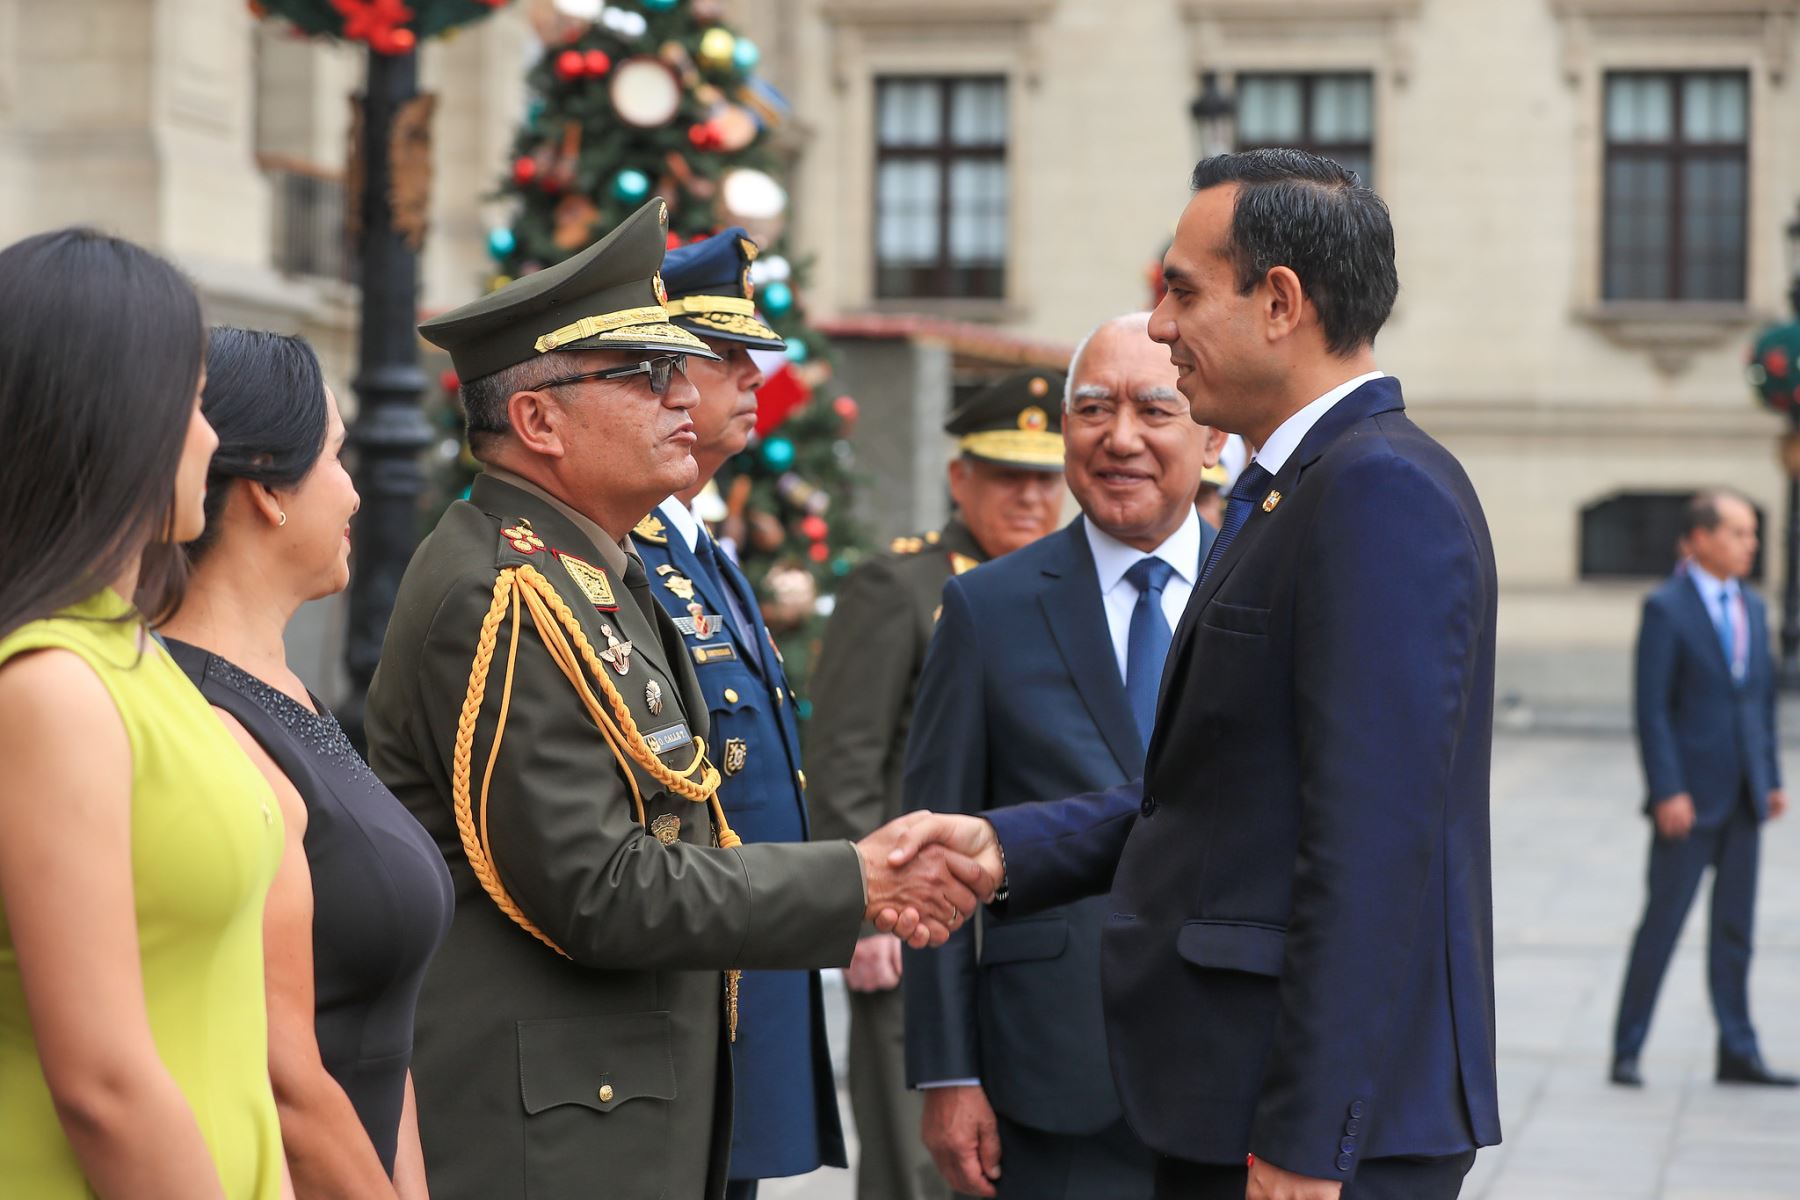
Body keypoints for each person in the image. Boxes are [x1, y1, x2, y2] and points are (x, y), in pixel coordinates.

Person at [886, 148, 1503, 1200]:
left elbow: (1371, 846)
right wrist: (1004, 845)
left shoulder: (1373, 493)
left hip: (1300, 1130)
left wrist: (1311, 1141)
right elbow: (1220, 798)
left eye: (1182, 288)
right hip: (1234, 1100)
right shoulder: (1291, 490)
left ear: (1280, 303)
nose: (1161, 322)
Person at [363, 199, 990, 1200]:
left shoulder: (589, 567)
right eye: (645, 376)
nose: (680, 401)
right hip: (559, 1135)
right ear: (536, 420)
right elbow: (598, 887)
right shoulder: (508, 590)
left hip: (615, 1104)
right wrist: (855, 883)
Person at [902, 312, 1224, 1199]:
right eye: (1093, 409)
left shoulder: (1268, 587)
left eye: (1155, 409)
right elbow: (933, 861)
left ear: (1212, 430)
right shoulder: (986, 609)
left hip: (1236, 1073)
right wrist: (946, 1074)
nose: (1120, 438)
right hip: (1048, 1077)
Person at [0, 228, 286, 1197]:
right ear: (111, 415)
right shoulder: (49, 684)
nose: (210, 439)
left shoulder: (130, 657)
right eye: (194, 402)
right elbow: (106, 1087)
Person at [160, 328, 454, 1196]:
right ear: (266, 492)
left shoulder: (282, 687)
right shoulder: (205, 717)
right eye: (335, 456)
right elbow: (286, 1079)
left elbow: (377, 1031)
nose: (357, 494)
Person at [808, 371, 1067, 1200]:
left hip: (1033, 925)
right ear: (960, 479)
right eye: (1006, 475)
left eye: (1044, 477)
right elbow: (847, 751)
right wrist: (858, 912)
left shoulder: (1071, 591)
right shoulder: (903, 585)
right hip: (915, 923)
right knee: (916, 1167)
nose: (1029, 497)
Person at [632, 227, 848, 1198]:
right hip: (691, 990)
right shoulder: (635, 553)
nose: (754, 375)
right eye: (722, 359)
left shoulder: (700, 547)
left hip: (742, 973)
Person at [1610, 489, 1794, 1089]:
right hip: (1687, 801)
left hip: (1743, 796)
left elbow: (1759, 701)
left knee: (1734, 932)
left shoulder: (1753, 606)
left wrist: (1769, 778)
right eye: (1739, 533)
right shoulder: (1666, 608)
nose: (1752, 543)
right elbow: (1652, 709)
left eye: (1752, 533)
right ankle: (1627, 1049)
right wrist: (1668, 790)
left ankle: (1737, 1051)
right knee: (1662, 924)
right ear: (1700, 539)